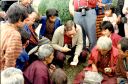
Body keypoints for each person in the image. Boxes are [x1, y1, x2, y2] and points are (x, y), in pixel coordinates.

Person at [0, 3, 28, 70]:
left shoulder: (2, 26)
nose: (25, 23)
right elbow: (10, 61)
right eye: (24, 20)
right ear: (19, 19)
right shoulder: (15, 35)